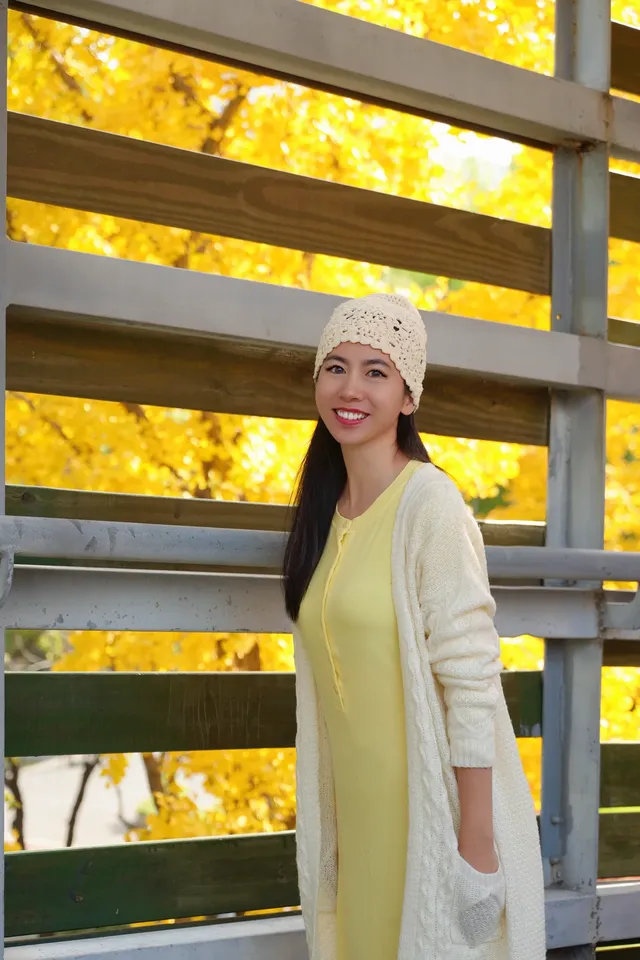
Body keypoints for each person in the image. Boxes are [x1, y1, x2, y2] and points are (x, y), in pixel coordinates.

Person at [282, 293, 545, 960]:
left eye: (376, 372)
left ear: (407, 397)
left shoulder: (432, 506)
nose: (350, 388)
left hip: (428, 823)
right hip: (357, 832)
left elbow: (471, 680)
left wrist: (476, 849)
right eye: (336, 367)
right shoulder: (324, 513)